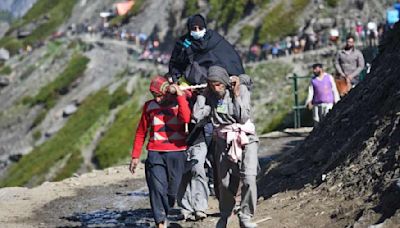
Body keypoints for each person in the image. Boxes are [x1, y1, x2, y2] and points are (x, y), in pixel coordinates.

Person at [194, 66, 259, 228]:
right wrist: (202, 96)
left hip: (245, 139)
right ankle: (225, 215)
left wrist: (236, 95)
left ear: (224, 81)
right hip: (223, 141)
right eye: (212, 85)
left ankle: (246, 216)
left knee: (249, 178)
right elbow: (197, 116)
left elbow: (243, 117)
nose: (216, 89)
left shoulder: (241, 90)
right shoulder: (209, 96)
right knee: (224, 183)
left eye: (218, 84)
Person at [129, 76, 191, 228]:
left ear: (167, 92)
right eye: (154, 96)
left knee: (172, 191)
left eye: (159, 95)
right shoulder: (149, 107)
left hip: (177, 152)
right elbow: (141, 132)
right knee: (157, 188)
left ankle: (165, 212)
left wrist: (180, 96)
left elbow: (186, 118)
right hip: (155, 152)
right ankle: (160, 223)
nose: (157, 99)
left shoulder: (179, 103)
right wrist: (135, 156)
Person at [168, 14, 244, 84]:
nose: (197, 31)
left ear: (204, 27)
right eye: (194, 29)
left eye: (200, 28)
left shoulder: (214, 39)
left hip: (217, 79)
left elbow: (230, 58)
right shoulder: (183, 43)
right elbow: (175, 63)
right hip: (192, 79)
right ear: (189, 29)